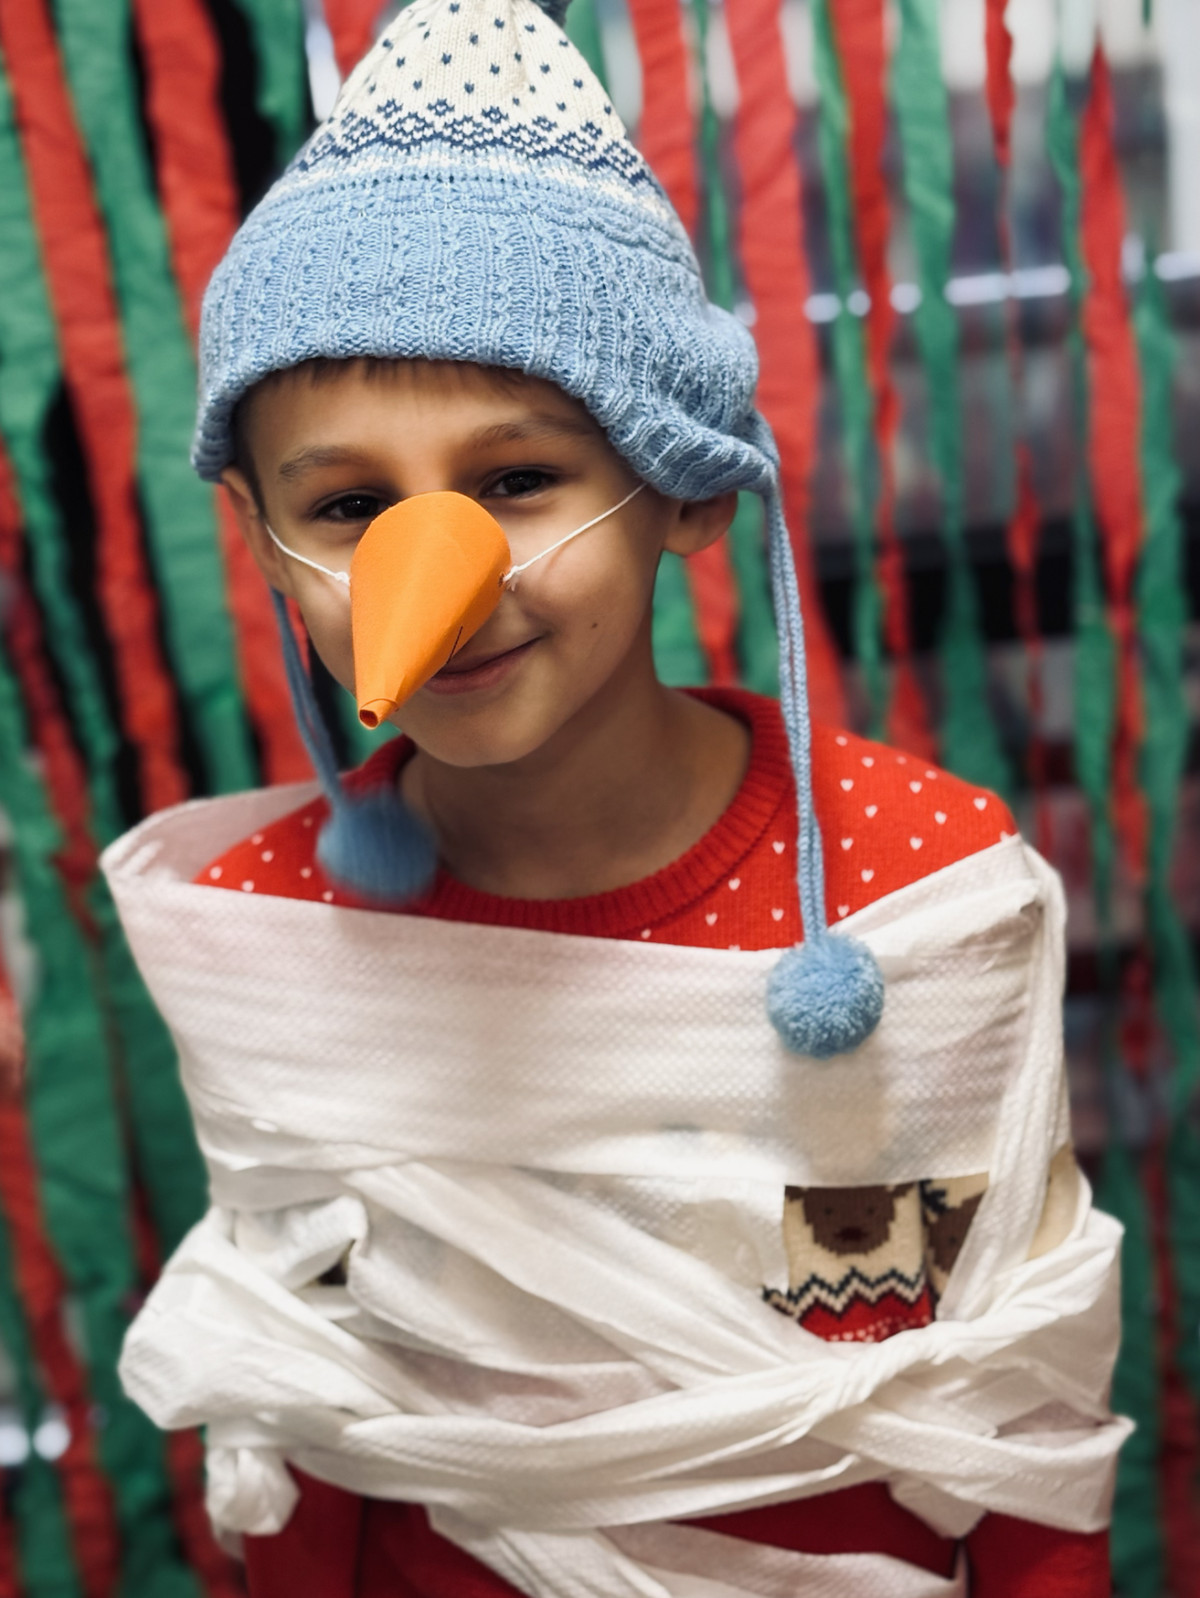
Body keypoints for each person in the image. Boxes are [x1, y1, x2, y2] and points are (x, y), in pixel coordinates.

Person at [102, 0, 1129, 1594]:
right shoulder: (262, 935)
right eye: (352, 504)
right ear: (258, 533)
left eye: (519, 482)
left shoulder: (918, 884)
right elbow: (297, 1405)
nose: (440, 582)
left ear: (688, 486)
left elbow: (1019, 1398)